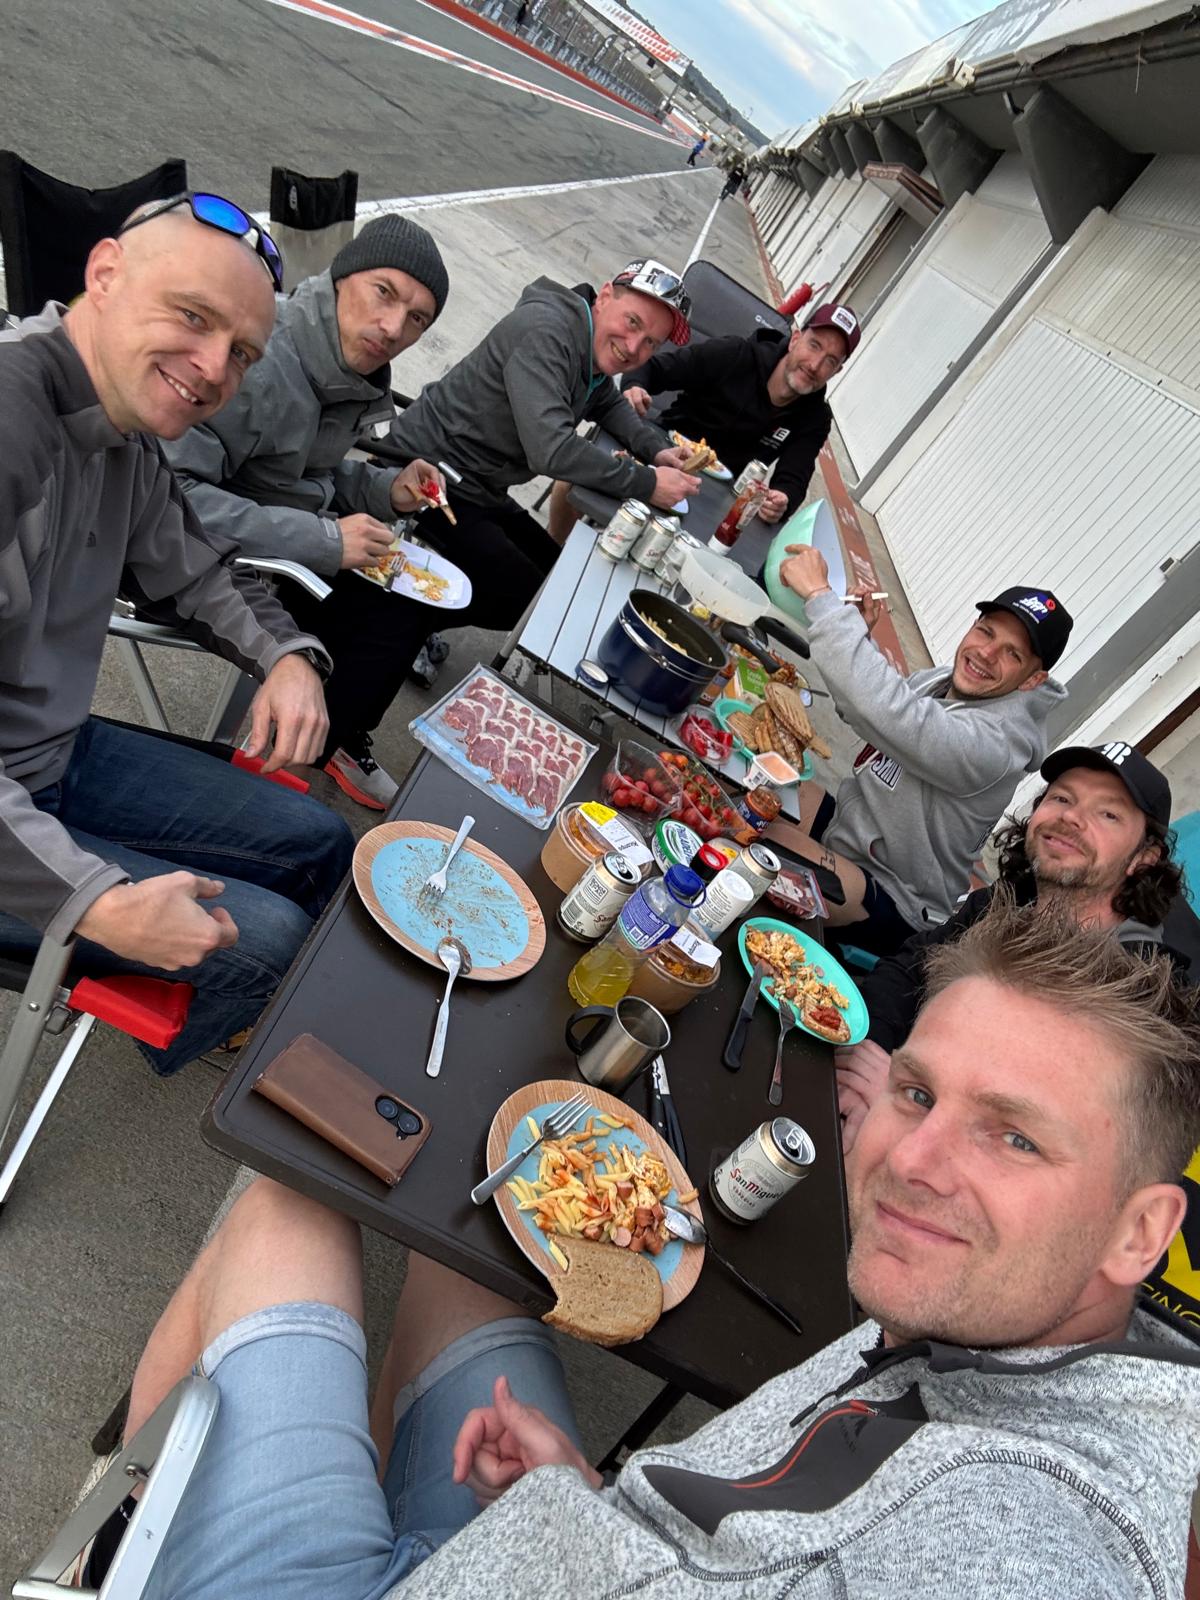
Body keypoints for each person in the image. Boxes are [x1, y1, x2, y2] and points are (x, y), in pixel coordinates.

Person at [106, 905, 1200, 1598]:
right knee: (457, 1238)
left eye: (1014, 1137)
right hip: (549, 1539)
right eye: (916, 1093)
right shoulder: (979, 1308)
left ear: (1139, 1232)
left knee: (291, 1192)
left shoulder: (1029, 1531)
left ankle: (133, 1538)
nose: (912, 1160)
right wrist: (584, 1494)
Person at [0, 193, 354, 1072]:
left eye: (242, 352)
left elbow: (195, 568)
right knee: (269, 940)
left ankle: (246, 1010)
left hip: (55, 754)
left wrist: (287, 657)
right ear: (105, 273)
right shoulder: (11, 427)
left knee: (322, 842)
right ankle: (230, 1033)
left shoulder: (120, 430)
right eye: (193, 317)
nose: (213, 369)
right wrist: (95, 901)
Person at [361, 260, 700, 767]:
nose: (634, 347)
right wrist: (649, 483)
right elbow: (551, 450)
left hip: (478, 486)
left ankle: (420, 616)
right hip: (425, 478)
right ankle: (390, 640)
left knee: (551, 581)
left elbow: (606, 403)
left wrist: (656, 449)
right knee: (516, 594)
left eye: (650, 342)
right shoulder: (547, 330)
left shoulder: (585, 339)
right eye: (632, 323)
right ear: (605, 296)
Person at [165, 214, 452, 810]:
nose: (394, 327)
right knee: (381, 622)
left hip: (271, 529)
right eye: (384, 292)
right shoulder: (262, 358)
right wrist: (324, 541)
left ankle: (322, 751)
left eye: (417, 318)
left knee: (410, 602)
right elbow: (168, 494)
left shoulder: (346, 367)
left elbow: (304, 471)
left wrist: (387, 490)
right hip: (191, 554)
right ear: (343, 276)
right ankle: (273, 781)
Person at [837, 740, 1191, 1152]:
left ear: (1144, 858)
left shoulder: (1134, 993)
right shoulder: (1008, 901)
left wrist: (902, 1094)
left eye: (1108, 814)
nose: (1071, 817)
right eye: (1062, 798)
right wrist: (868, 1053)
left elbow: (1033, 1127)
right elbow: (907, 969)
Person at [769, 566, 1072, 956]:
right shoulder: (945, 680)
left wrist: (821, 599)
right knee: (761, 786)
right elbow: (864, 712)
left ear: (1032, 680)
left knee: (766, 846)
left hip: (894, 899)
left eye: (1012, 653)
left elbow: (891, 713)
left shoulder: (997, 746)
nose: (986, 653)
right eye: (986, 632)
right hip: (851, 833)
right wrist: (857, 638)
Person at [622, 302, 861, 524]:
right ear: (795, 340)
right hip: (663, 454)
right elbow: (653, 368)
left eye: (830, 361)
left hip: (717, 501)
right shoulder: (736, 354)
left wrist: (781, 501)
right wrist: (635, 386)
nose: (814, 365)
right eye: (814, 346)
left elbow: (794, 477)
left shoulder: (815, 417)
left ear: (836, 371)